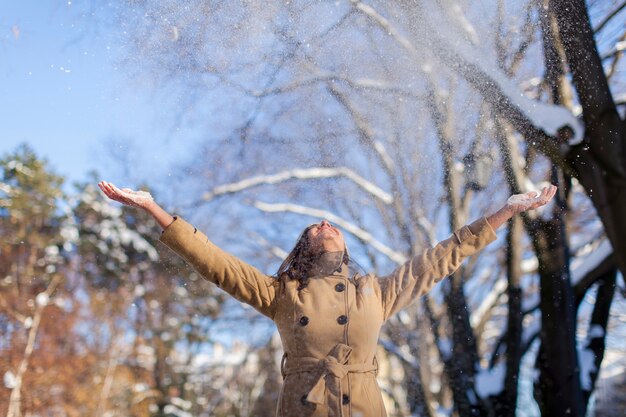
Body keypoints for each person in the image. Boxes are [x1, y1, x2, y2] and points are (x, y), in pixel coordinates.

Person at [97, 180, 557, 417]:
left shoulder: (374, 292)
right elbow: (216, 264)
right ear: (305, 247)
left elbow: (444, 257)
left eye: (332, 224)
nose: (325, 222)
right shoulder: (282, 294)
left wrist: (507, 211)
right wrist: (154, 209)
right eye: (315, 226)